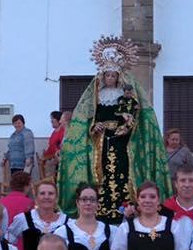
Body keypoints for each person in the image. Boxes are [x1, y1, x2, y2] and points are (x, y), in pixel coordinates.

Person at [57, 36, 169, 222]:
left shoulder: (125, 95)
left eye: (113, 75)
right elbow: (89, 118)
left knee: (122, 170)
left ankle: (125, 208)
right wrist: (94, 126)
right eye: (107, 75)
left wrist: (127, 126)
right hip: (101, 141)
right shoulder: (97, 95)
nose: (110, 78)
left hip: (121, 140)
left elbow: (133, 114)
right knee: (101, 173)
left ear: (118, 76)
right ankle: (101, 208)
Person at [6, 179, 68, 250]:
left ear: (56, 198)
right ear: (36, 197)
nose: (46, 197)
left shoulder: (67, 222)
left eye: (50, 193)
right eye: (42, 193)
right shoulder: (23, 219)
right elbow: (7, 242)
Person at [41, 110, 69, 174]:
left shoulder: (62, 131)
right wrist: (45, 154)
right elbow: (51, 146)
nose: (51, 120)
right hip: (55, 159)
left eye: (52, 118)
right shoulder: (54, 132)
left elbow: (62, 147)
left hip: (60, 160)